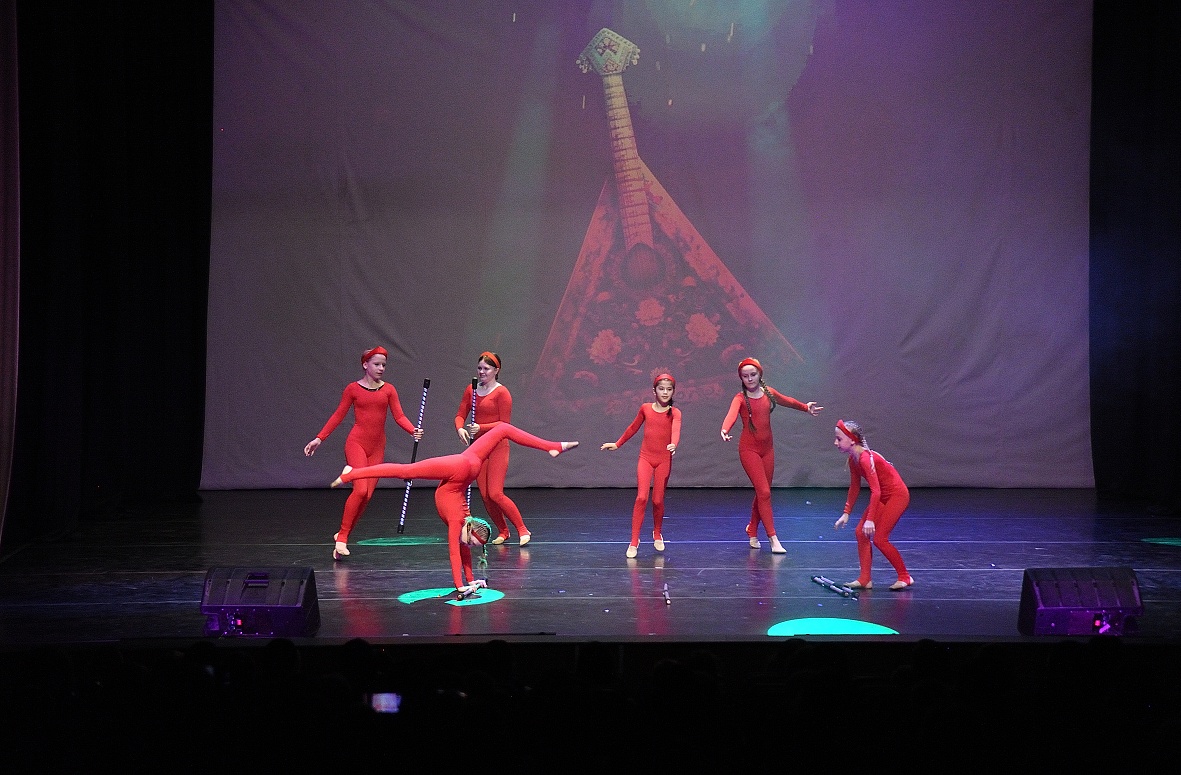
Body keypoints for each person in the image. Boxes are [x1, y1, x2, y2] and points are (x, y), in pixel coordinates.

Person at [332, 423, 578, 596]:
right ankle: (352, 473)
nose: (467, 545)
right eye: (469, 541)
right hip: (460, 469)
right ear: (469, 531)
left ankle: (551, 446)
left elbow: (464, 552)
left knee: (503, 429)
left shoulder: (465, 524)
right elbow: (454, 554)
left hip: (468, 468)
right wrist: (460, 585)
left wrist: (472, 581)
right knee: (406, 471)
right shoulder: (456, 524)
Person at [304, 346, 424, 560]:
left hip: (377, 447)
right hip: (357, 444)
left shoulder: (389, 390)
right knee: (360, 491)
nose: (381, 368)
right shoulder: (353, 389)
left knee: (367, 495)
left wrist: (412, 430)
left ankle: (342, 536)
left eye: (383, 365)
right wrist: (319, 438)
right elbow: (338, 415)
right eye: (377, 364)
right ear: (365, 364)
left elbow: (399, 416)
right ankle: (342, 537)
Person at [720, 357, 822, 554]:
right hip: (749, 450)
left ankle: (752, 529)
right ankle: (773, 538)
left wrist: (805, 407)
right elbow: (731, 414)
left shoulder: (769, 393)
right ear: (741, 378)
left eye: (753, 375)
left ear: (760, 374)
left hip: (767, 450)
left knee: (763, 493)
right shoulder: (740, 398)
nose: (750, 379)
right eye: (745, 376)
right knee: (765, 493)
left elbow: (787, 401)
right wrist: (725, 429)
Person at [601, 373, 682, 558]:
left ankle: (657, 533)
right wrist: (618, 443)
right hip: (645, 458)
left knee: (658, 500)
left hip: (663, 460)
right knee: (641, 498)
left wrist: (674, 444)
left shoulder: (675, 413)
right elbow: (633, 427)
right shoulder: (646, 408)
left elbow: (676, 430)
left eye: (669, 389)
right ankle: (634, 541)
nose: (665, 392)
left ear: (673, 392)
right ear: (654, 391)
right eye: (661, 389)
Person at [455, 352, 531, 546]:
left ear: (496, 371)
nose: (482, 372)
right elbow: (460, 414)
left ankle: (523, 529)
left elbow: (505, 425)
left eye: (486, 369)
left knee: (495, 493)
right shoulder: (471, 390)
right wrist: (460, 428)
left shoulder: (502, 393)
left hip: (497, 446)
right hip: (479, 449)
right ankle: (503, 531)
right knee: (486, 496)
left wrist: (481, 427)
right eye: (479, 368)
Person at [833, 419, 914, 590]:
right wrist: (846, 513)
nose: (836, 443)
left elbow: (875, 491)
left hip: (896, 496)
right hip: (882, 496)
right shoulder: (853, 459)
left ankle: (905, 576)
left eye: (839, 439)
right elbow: (855, 487)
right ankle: (865, 579)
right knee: (860, 533)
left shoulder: (864, 458)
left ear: (852, 440)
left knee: (880, 539)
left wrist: (870, 520)